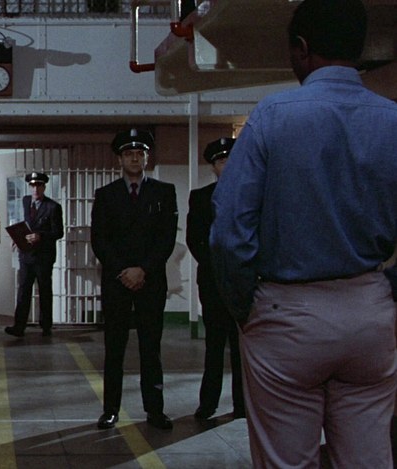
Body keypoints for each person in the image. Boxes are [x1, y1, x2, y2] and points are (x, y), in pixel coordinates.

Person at [210, 0, 397, 466]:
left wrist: (247, 307)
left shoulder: (274, 115)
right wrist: (387, 290)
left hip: (286, 313)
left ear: (301, 48)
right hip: (370, 311)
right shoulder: (391, 120)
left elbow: (229, 233)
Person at [91, 129, 178, 431]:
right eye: (128, 154)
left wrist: (143, 270)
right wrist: (124, 271)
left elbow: (166, 239)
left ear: (146, 158)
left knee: (150, 348)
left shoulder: (164, 192)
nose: (134, 158)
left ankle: (155, 410)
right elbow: (99, 240)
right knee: (114, 348)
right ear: (120, 159)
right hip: (117, 282)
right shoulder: (106, 195)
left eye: (139, 153)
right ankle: (110, 410)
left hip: (150, 282)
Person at [186, 137, 244, 421]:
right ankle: (208, 404)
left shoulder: (252, 194)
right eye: (221, 161)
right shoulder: (200, 198)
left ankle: (243, 405)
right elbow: (195, 240)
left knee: (241, 346)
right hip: (212, 281)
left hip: (244, 282)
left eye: (232, 159)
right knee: (214, 345)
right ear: (213, 167)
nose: (227, 165)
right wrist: (220, 267)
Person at [4, 172, 64, 337]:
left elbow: (58, 232)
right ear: (29, 187)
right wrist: (18, 238)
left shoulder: (53, 207)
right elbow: (27, 224)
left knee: (44, 290)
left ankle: (46, 326)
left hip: (43, 256)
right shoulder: (25, 201)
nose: (35, 189)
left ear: (44, 187)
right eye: (32, 185)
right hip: (26, 254)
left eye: (38, 185)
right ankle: (19, 326)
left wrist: (40, 236)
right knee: (23, 290)